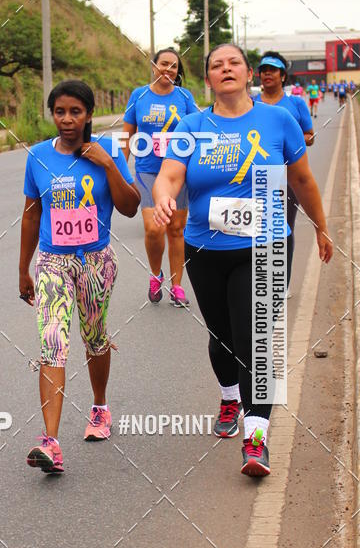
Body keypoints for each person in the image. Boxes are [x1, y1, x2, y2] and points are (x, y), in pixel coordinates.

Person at [152, 44, 332, 477]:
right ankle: (230, 395)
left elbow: (302, 179)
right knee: (223, 337)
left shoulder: (278, 119)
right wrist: (162, 200)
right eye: (217, 65)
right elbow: (170, 175)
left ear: (248, 74)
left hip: (265, 244)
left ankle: (256, 441)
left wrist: (321, 227)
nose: (226, 69)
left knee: (258, 340)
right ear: (208, 79)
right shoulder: (191, 125)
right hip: (205, 247)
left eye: (234, 63)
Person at [19, 79, 140, 474]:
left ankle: (100, 407)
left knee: (95, 337)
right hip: (53, 263)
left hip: (96, 262)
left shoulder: (107, 155)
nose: (67, 120)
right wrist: (24, 268)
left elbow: (130, 207)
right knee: (52, 343)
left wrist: (106, 163)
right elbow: (32, 214)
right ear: (51, 114)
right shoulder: (37, 156)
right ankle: (50, 442)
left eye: (75, 112)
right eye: (60, 112)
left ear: (88, 115)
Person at [122, 48, 198, 306]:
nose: (168, 70)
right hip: (148, 170)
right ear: (154, 66)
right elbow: (127, 135)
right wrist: (121, 172)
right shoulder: (138, 96)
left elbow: (197, 132)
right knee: (154, 229)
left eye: (174, 66)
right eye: (164, 64)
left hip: (178, 173)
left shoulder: (185, 97)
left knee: (176, 229)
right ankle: (156, 275)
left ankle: (177, 287)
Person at [254, 52, 314, 263]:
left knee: (284, 227)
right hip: (256, 177)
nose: (267, 74)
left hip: (288, 176)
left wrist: (288, 139)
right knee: (256, 228)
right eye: (263, 71)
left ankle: (282, 278)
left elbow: (310, 135)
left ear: (282, 76)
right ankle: (258, 274)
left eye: (273, 70)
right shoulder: (250, 103)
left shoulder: (296, 103)